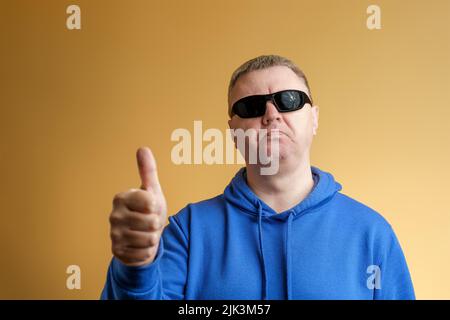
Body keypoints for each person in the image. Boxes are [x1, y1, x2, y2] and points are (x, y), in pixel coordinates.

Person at [101, 55, 415, 299]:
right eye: (250, 107)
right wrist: (134, 267)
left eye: (289, 100)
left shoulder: (372, 233)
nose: (270, 114)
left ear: (314, 118)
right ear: (233, 131)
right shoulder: (188, 232)